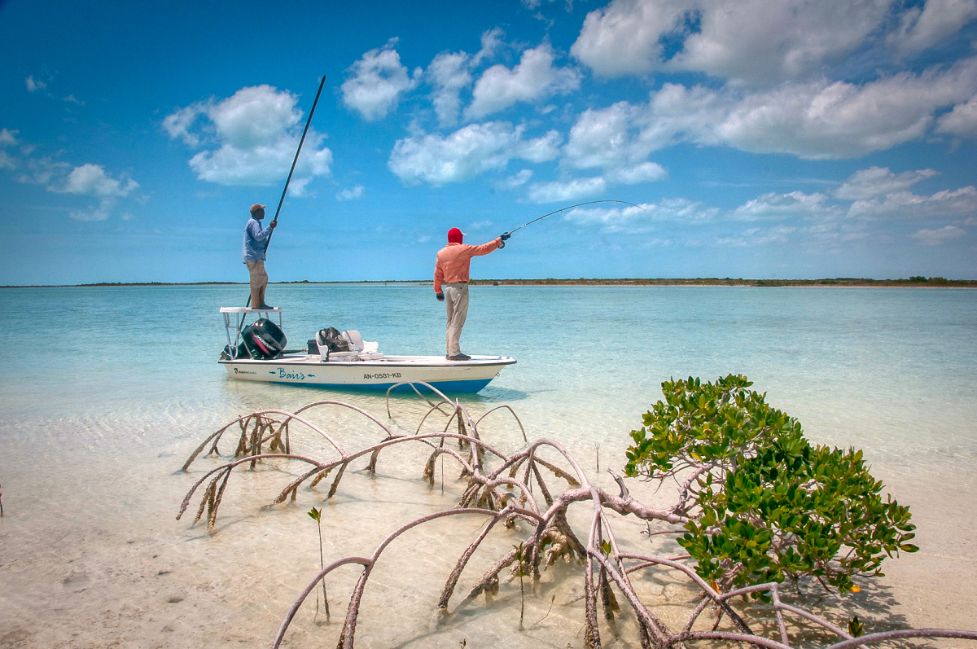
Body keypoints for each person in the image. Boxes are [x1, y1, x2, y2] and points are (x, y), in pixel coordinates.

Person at [433, 227, 510, 361]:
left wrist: (438, 290)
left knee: (450, 321)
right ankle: (454, 353)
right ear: (458, 237)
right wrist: (499, 241)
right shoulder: (464, 249)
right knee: (458, 319)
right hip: (460, 288)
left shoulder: (441, 253)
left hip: (448, 288)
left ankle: (449, 351)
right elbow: (483, 249)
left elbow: (437, 273)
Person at [242, 203, 276, 309]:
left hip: (255, 256)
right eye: (262, 210)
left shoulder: (254, 223)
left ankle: (259, 302)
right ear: (257, 212)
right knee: (258, 279)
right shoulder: (253, 223)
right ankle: (257, 304)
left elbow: (258, 239)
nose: (264, 212)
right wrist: (270, 227)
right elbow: (258, 236)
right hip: (254, 257)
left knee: (262, 278)